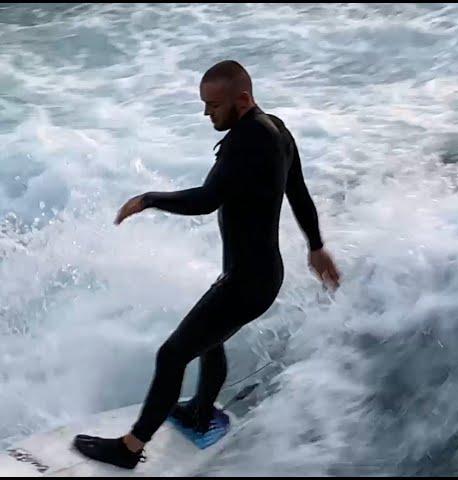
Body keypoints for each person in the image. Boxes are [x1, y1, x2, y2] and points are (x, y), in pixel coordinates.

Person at [73, 60, 341, 469]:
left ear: (243, 99)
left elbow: (206, 199)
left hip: (247, 281)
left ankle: (130, 447)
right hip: (259, 275)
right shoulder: (277, 130)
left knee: (172, 354)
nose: (206, 114)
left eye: (213, 106)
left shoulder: (246, 141)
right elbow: (299, 193)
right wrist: (316, 246)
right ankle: (200, 410)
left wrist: (149, 199)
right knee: (208, 338)